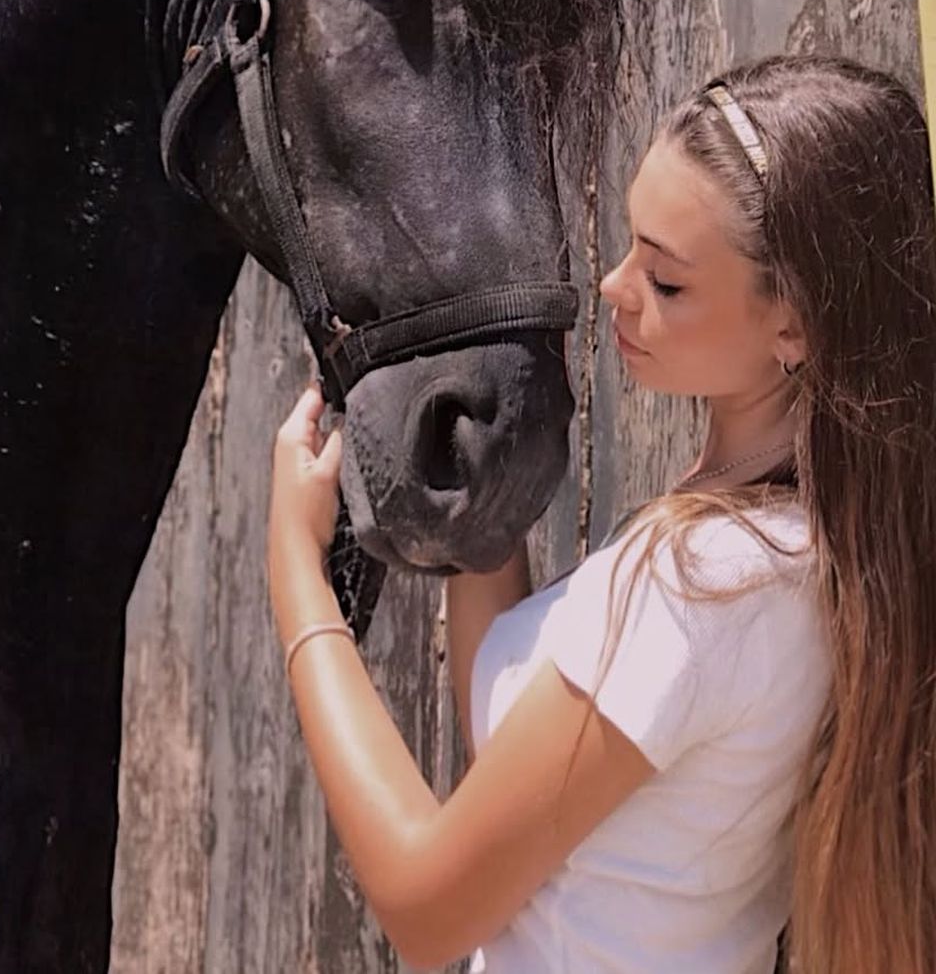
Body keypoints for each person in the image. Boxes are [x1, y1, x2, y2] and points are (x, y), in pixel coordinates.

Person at [267, 54, 936, 974]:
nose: (615, 287)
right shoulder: (812, 548)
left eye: (667, 282)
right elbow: (526, 771)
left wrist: (297, 578)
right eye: (629, 245)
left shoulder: (697, 585)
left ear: (794, 326)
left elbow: (427, 911)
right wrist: (487, 487)